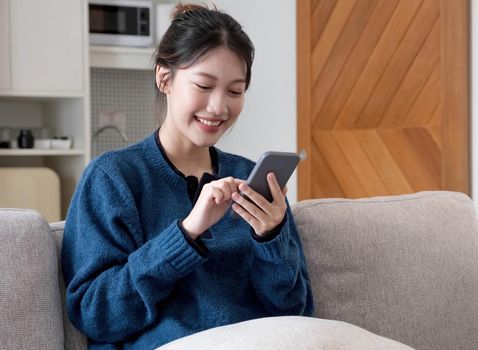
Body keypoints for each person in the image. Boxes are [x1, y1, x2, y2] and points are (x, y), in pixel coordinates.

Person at [61, 4, 314, 349]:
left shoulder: (249, 176)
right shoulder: (112, 179)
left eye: (235, 91)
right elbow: (97, 314)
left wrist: (271, 239)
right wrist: (186, 234)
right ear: (164, 78)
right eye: (204, 85)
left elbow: (296, 313)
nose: (218, 107)